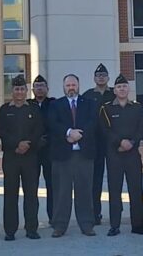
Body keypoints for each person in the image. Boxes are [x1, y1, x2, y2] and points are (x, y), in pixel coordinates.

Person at [45, 73, 99, 237]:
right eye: (68, 85)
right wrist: (68, 132)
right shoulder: (55, 105)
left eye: (73, 85)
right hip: (63, 156)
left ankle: (87, 225)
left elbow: (94, 122)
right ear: (63, 87)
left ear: (78, 85)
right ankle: (59, 226)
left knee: (85, 192)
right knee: (62, 193)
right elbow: (52, 123)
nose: (71, 88)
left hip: (84, 154)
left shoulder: (89, 104)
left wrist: (79, 134)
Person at [0, 74, 44, 240]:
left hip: (30, 157)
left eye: (22, 89)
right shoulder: (4, 110)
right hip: (11, 157)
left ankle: (32, 229)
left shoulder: (33, 109)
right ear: (12, 91)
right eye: (16, 89)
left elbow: (38, 130)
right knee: (10, 194)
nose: (19, 92)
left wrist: (27, 144)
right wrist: (16, 144)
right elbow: (1, 132)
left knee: (31, 194)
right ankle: (10, 231)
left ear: (26, 91)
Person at [99, 74, 143, 236]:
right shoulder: (106, 108)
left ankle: (138, 225)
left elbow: (142, 130)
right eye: (119, 87)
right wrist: (120, 142)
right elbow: (105, 130)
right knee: (114, 191)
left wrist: (131, 143)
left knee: (136, 190)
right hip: (114, 156)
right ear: (115, 90)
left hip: (133, 155)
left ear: (128, 89)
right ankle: (114, 225)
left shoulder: (137, 107)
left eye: (124, 86)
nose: (122, 89)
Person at [81, 63, 114, 225]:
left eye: (103, 75)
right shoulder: (87, 95)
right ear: (94, 78)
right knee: (95, 180)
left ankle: (116, 214)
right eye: (98, 75)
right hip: (95, 144)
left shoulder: (114, 93)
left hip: (113, 142)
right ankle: (95, 213)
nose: (101, 78)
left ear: (108, 78)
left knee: (115, 179)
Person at [30, 74, 55, 221]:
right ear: (32, 89)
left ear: (47, 89)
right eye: (37, 86)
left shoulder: (54, 104)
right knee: (32, 188)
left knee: (52, 187)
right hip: (32, 152)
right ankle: (33, 221)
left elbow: (58, 125)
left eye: (42, 86)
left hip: (50, 151)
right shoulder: (28, 105)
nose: (39, 89)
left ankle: (53, 218)